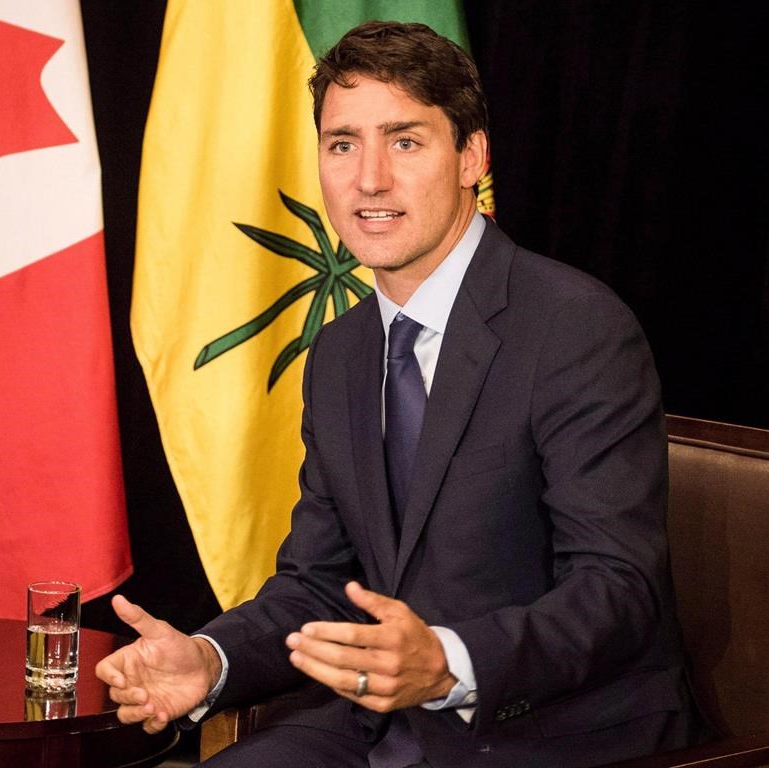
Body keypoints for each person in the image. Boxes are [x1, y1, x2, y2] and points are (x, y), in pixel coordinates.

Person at [97, 21, 701, 767]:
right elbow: (320, 585)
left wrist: (448, 664)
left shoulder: (575, 327)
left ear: (471, 157)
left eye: (405, 141)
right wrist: (210, 660)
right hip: (381, 728)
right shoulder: (340, 353)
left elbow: (617, 589)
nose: (369, 179)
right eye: (342, 145)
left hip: (548, 731)